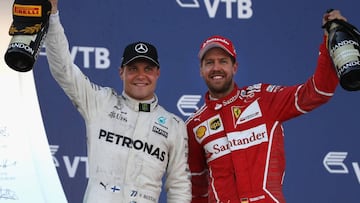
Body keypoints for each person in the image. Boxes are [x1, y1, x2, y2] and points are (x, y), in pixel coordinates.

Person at [186, 10, 347, 203]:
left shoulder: (262, 99)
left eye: (223, 61)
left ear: (234, 67)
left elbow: (317, 91)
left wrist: (329, 40)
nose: (216, 68)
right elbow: (196, 188)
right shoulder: (195, 125)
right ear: (201, 71)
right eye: (209, 63)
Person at [44, 0, 191, 202]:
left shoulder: (174, 125)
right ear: (121, 72)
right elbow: (64, 70)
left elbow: (179, 187)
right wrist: (52, 17)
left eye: (147, 69)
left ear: (157, 73)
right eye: (133, 69)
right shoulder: (101, 103)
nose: (141, 75)